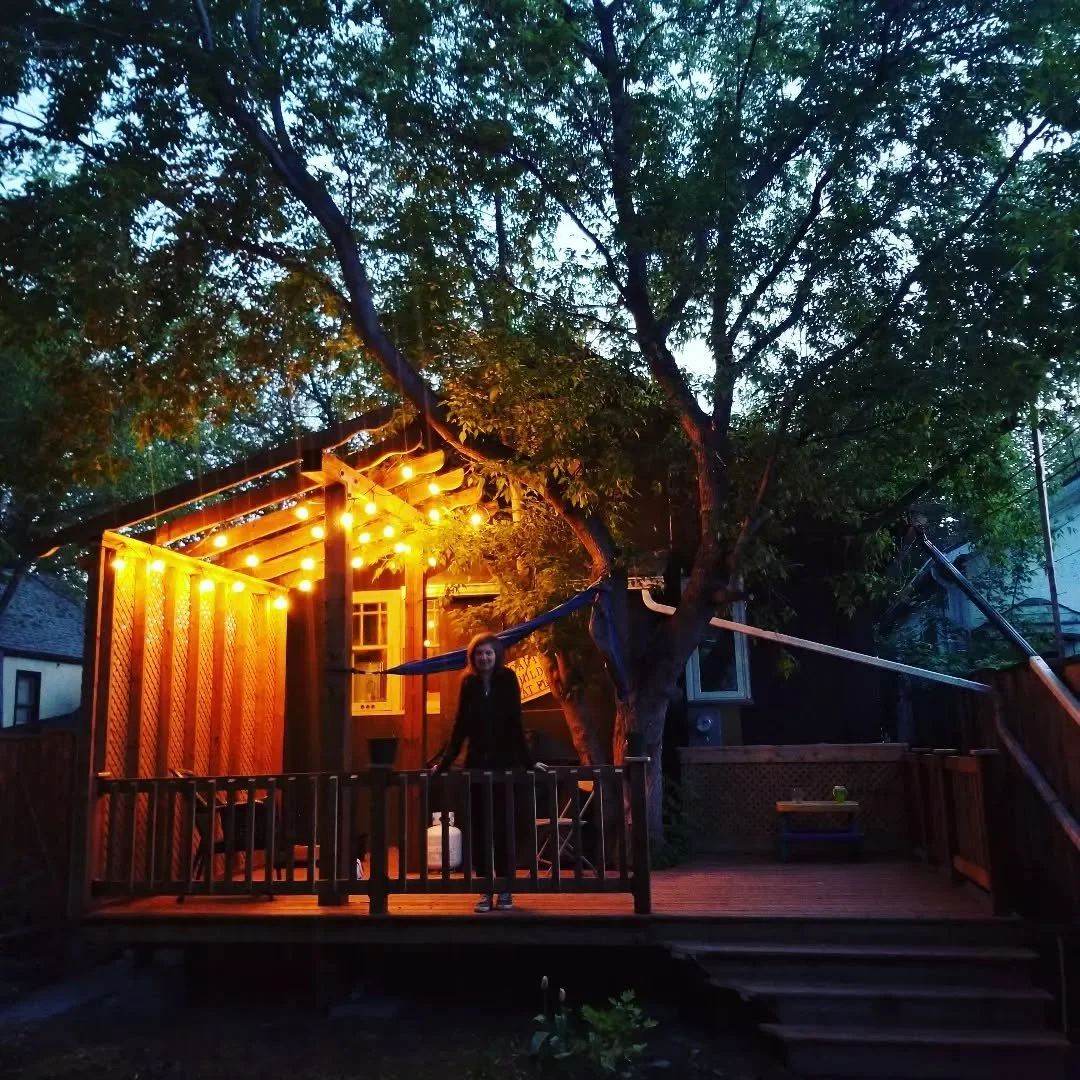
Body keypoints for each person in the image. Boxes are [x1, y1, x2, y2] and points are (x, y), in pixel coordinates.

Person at [436, 632, 532, 912]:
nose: (484, 658)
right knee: (479, 830)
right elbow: (460, 725)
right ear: (473, 657)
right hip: (477, 764)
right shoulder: (468, 683)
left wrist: (528, 762)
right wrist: (445, 762)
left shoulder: (508, 679)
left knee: (503, 828)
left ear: (496, 655)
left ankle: (505, 890)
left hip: (503, 765)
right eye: (479, 653)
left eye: (488, 653)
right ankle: (484, 892)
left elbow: (515, 722)